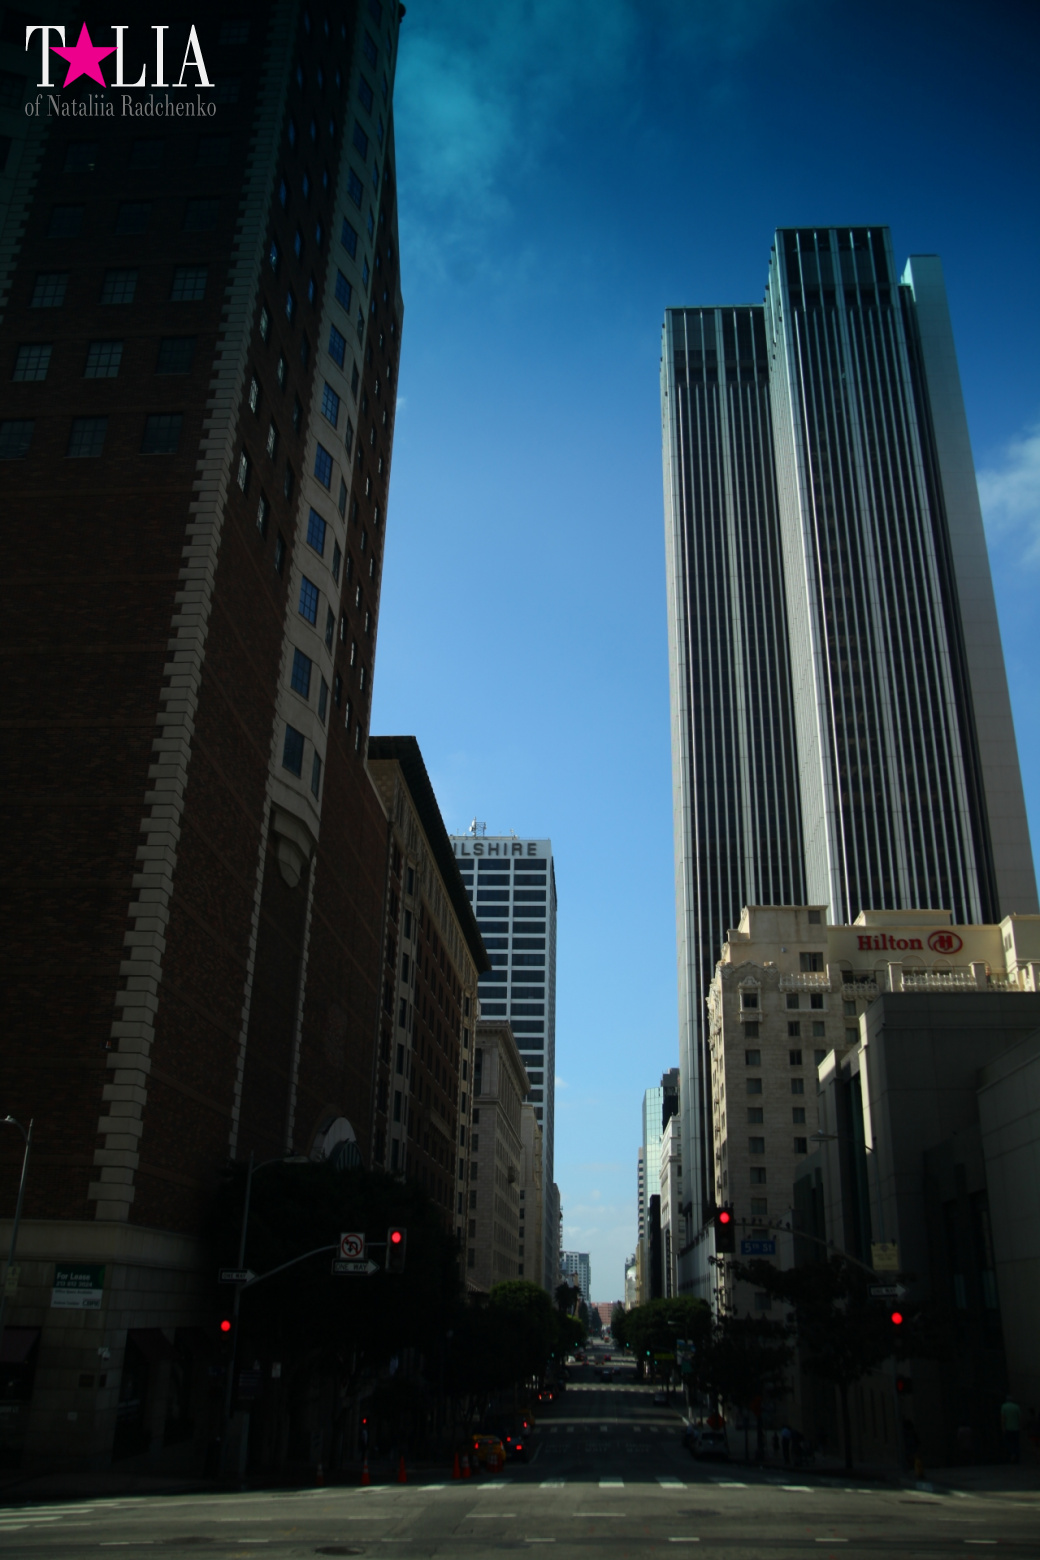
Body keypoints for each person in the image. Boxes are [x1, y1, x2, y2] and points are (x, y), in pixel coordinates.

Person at [1001, 1395, 1021, 1463]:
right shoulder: (1016, 1407)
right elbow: (1020, 1418)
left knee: (1008, 1443)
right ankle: (1015, 1456)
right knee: (1016, 1443)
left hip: (1008, 1428)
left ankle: (1011, 1456)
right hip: (1016, 1428)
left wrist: (1003, 1427)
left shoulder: (1004, 1406)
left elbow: (1003, 1418)